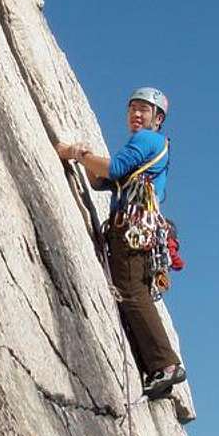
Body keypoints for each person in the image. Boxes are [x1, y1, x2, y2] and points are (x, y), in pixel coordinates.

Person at [56, 87, 187, 399]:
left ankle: (165, 365)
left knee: (131, 291)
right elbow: (105, 181)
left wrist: (75, 153)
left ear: (158, 119)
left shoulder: (147, 140)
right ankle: (155, 366)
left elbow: (113, 169)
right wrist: (88, 162)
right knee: (131, 292)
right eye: (133, 109)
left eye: (144, 110)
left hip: (132, 231)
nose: (136, 115)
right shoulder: (150, 145)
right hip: (137, 230)